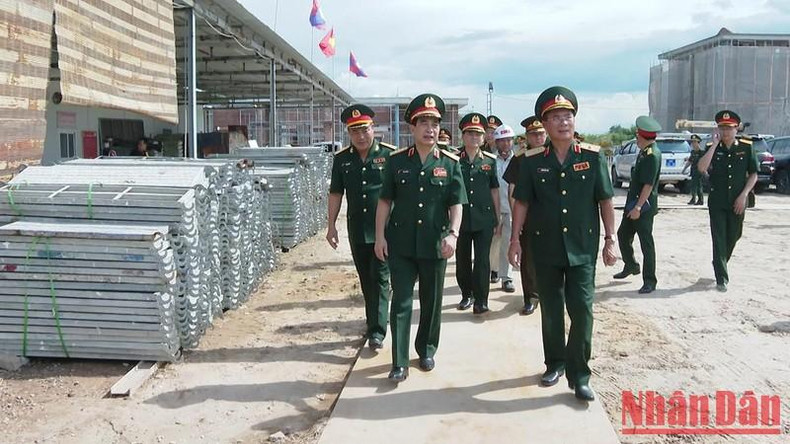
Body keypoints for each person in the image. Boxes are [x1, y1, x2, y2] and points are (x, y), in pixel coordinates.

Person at [508, 86, 617, 401]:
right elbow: (522, 203)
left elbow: (606, 200)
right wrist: (515, 239)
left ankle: (580, 374)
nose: (563, 122)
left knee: (582, 310)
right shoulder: (530, 162)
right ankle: (554, 363)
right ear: (545, 123)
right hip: (545, 247)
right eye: (556, 117)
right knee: (552, 311)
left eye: (567, 116)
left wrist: (611, 239)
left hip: (582, 248)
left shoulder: (593, 158)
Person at [375, 93, 466, 382]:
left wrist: (454, 234)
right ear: (411, 128)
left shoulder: (451, 163)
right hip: (400, 243)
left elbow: (456, 203)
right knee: (400, 301)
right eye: (423, 122)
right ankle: (399, 361)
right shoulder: (396, 161)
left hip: (435, 243)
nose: (430, 128)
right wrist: (380, 237)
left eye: (435, 123)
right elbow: (385, 202)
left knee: (432, 300)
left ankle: (426, 349)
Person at [327, 104, 394, 350]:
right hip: (357, 229)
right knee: (366, 279)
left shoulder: (389, 156)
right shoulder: (342, 159)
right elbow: (335, 193)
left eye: (364, 130)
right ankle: (373, 321)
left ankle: (377, 331)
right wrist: (331, 225)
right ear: (349, 133)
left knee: (380, 277)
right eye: (355, 132)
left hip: (384, 231)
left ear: (373, 129)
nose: (361, 136)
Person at [696, 110, 758, 293]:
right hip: (717, 202)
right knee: (719, 238)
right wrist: (714, 146)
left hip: (738, 200)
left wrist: (744, 194)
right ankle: (721, 278)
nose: (725, 132)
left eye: (729, 128)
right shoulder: (712, 146)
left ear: (736, 129)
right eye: (722, 128)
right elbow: (701, 168)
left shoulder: (746, 147)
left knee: (734, 235)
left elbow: (754, 173)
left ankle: (719, 261)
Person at [455, 113, 501, 314]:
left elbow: (494, 190)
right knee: (462, 259)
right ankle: (467, 294)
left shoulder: (490, 162)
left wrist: (498, 217)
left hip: (484, 218)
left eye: (478, 134)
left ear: (484, 138)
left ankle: (481, 300)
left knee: (482, 260)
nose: (475, 138)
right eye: (470, 133)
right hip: (461, 219)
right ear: (463, 136)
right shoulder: (454, 160)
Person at [613, 116, 663, 294]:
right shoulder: (644, 152)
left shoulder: (652, 156)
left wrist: (638, 208)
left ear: (642, 136)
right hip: (633, 204)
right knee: (623, 235)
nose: (636, 139)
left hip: (643, 207)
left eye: (637, 136)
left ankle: (650, 280)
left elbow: (648, 185)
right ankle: (631, 265)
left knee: (646, 243)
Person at [502, 115, 546, 315]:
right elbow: (512, 190)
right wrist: (515, 216)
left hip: (551, 217)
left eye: (541, 134)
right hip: (528, 217)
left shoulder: (554, 154)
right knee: (528, 260)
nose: (538, 138)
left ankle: (550, 294)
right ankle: (531, 297)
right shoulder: (520, 160)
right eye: (534, 135)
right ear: (527, 137)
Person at [490, 124, 516, 297]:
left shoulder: (519, 160)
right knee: (493, 243)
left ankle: (506, 277)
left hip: (512, 209)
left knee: (508, 242)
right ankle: (494, 269)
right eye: (502, 141)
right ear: (496, 142)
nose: (505, 144)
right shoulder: (490, 160)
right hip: (493, 208)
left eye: (508, 140)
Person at [682, 134, 705, 205]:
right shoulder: (693, 152)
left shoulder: (702, 152)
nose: (693, 144)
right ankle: (694, 199)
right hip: (693, 170)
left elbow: (704, 162)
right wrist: (684, 169)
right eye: (692, 142)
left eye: (695, 142)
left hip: (699, 171)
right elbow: (690, 161)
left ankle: (699, 199)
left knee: (698, 186)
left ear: (698, 143)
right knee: (694, 185)